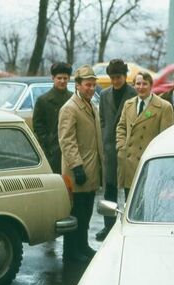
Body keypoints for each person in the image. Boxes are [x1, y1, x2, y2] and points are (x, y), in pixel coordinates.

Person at [58, 64, 103, 263]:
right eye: (87, 85)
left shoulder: (92, 105)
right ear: (77, 85)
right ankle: (71, 250)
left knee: (86, 212)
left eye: (93, 85)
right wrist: (76, 167)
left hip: (92, 168)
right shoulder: (70, 108)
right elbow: (67, 140)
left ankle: (82, 245)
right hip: (78, 170)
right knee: (75, 212)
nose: (91, 89)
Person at [96, 59, 137, 241]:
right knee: (110, 188)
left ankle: (129, 225)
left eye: (118, 77)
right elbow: (103, 119)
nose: (115, 81)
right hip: (110, 148)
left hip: (128, 147)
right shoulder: (104, 95)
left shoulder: (134, 94)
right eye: (112, 78)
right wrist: (106, 138)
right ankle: (108, 226)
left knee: (130, 188)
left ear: (125, 76)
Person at [116, 71, 174, 198]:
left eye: (144, 84)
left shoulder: (164, 107)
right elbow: (121, 127)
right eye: (138, 84)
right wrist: (121, 147)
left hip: (149, 163)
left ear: (151, 85)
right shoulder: (128, 104)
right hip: (129, 163)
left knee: (148, 201)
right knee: (130, 200)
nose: (141, 87)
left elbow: (165, 138)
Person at [33, 62, 73, 173]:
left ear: (69, 78)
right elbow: (38, 125)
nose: (62, 81)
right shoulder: (43, 100)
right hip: (52, 151)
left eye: (65, 78)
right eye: (59, 78)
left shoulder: (73, 99)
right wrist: (47, 142)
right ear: (53, 78)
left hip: (70, 149)